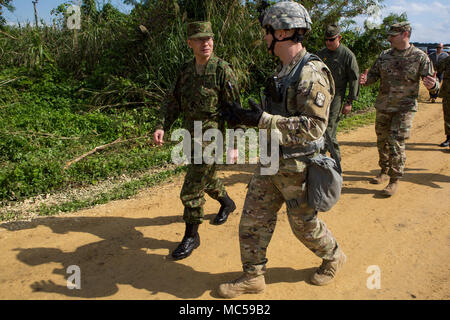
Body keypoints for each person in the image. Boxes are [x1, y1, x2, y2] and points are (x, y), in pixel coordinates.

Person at [217, 1, 346, 299]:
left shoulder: (311, 73)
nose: (265, 37)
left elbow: (314, 126)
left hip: (298, 167)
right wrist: (245, 118)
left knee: (304, 225)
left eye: (268, 31)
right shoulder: (284, 69)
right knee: (253, 219)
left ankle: (333, 256)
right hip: (271, 161)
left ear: (285, 31)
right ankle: (253, 276)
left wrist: (263, 119)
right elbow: (279, 117)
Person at [153, 21, 239, 260]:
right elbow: (173, 101)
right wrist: (161, 125)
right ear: (190, 43)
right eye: (200, 39)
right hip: (190, 134)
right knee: (207, 178)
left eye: (209, 38)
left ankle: (192, 235)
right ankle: (227, 203)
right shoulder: (186, 70)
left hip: (213, 136)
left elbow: (234, 109)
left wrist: (233, 144)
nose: (206, 43)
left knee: (191, 187)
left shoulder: (223, 70)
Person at [360, 22, 439, 196]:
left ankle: (394, 180)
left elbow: (433, 83)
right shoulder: (384, 56)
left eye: (392, 35)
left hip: (404, 108)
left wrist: (433, 86)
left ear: (405, 34)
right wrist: (365, 80)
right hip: (383, 106)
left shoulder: (420, 57)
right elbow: (373, 76)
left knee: (396, 142)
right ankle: (384, 171)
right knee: (382, 141)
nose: (389, 38)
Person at [317, 24, 360, 162]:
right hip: (321, 94)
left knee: (329, 128)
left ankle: (334, 157)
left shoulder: (347, 55)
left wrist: (349, 102)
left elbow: (354, 79)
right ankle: (321, 157)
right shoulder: (320, 54)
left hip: (337, 95)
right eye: (327, 40)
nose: (328, 42)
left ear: (339, 38)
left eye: (332, 39)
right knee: (319, 125)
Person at [437, 55, 450, 148]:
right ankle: (449, 138)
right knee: (448, 115)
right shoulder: (447, 60)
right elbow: (438, 70)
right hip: (448, 92)